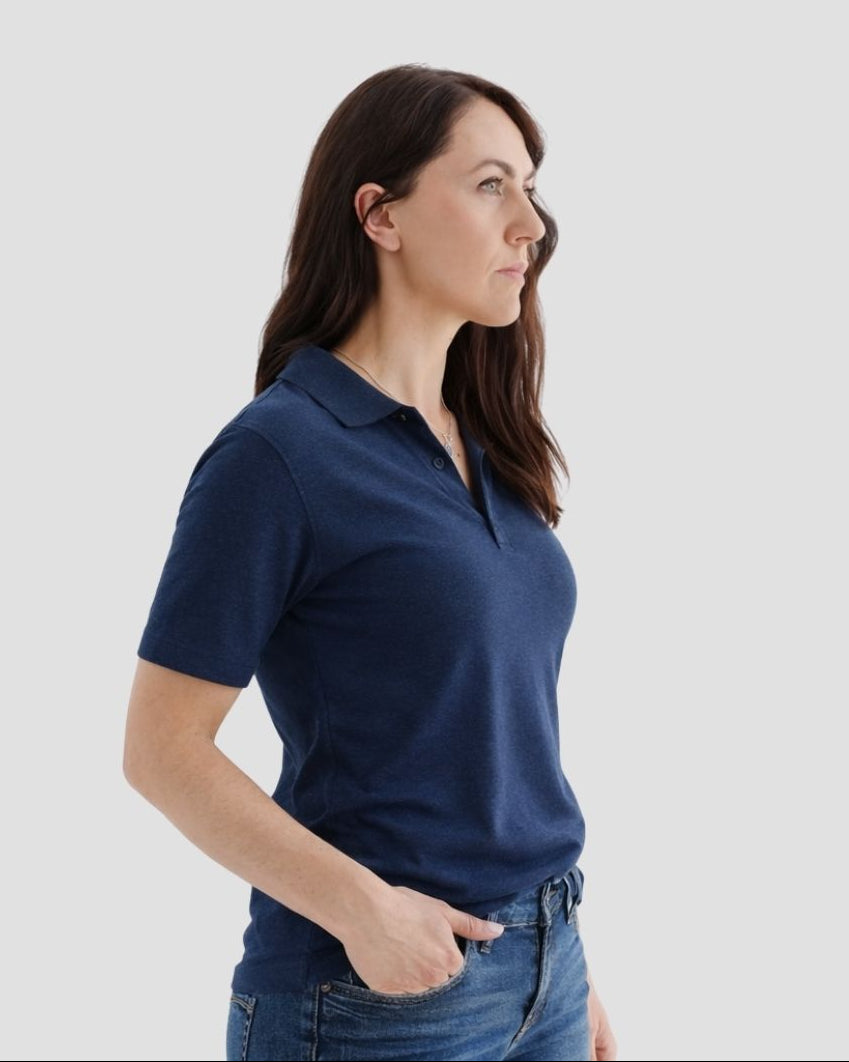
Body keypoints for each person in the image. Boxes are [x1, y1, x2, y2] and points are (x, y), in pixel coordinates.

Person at [123, 62, 617, 1062]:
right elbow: (161, 748)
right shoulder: (279, 455)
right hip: (375, 998)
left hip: (545, 969)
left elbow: (495, 741)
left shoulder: (492, 445)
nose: (533, 223)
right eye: (491, 185)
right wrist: (364, 912)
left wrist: (564, 968)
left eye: (532, 186)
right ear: (378, 215)